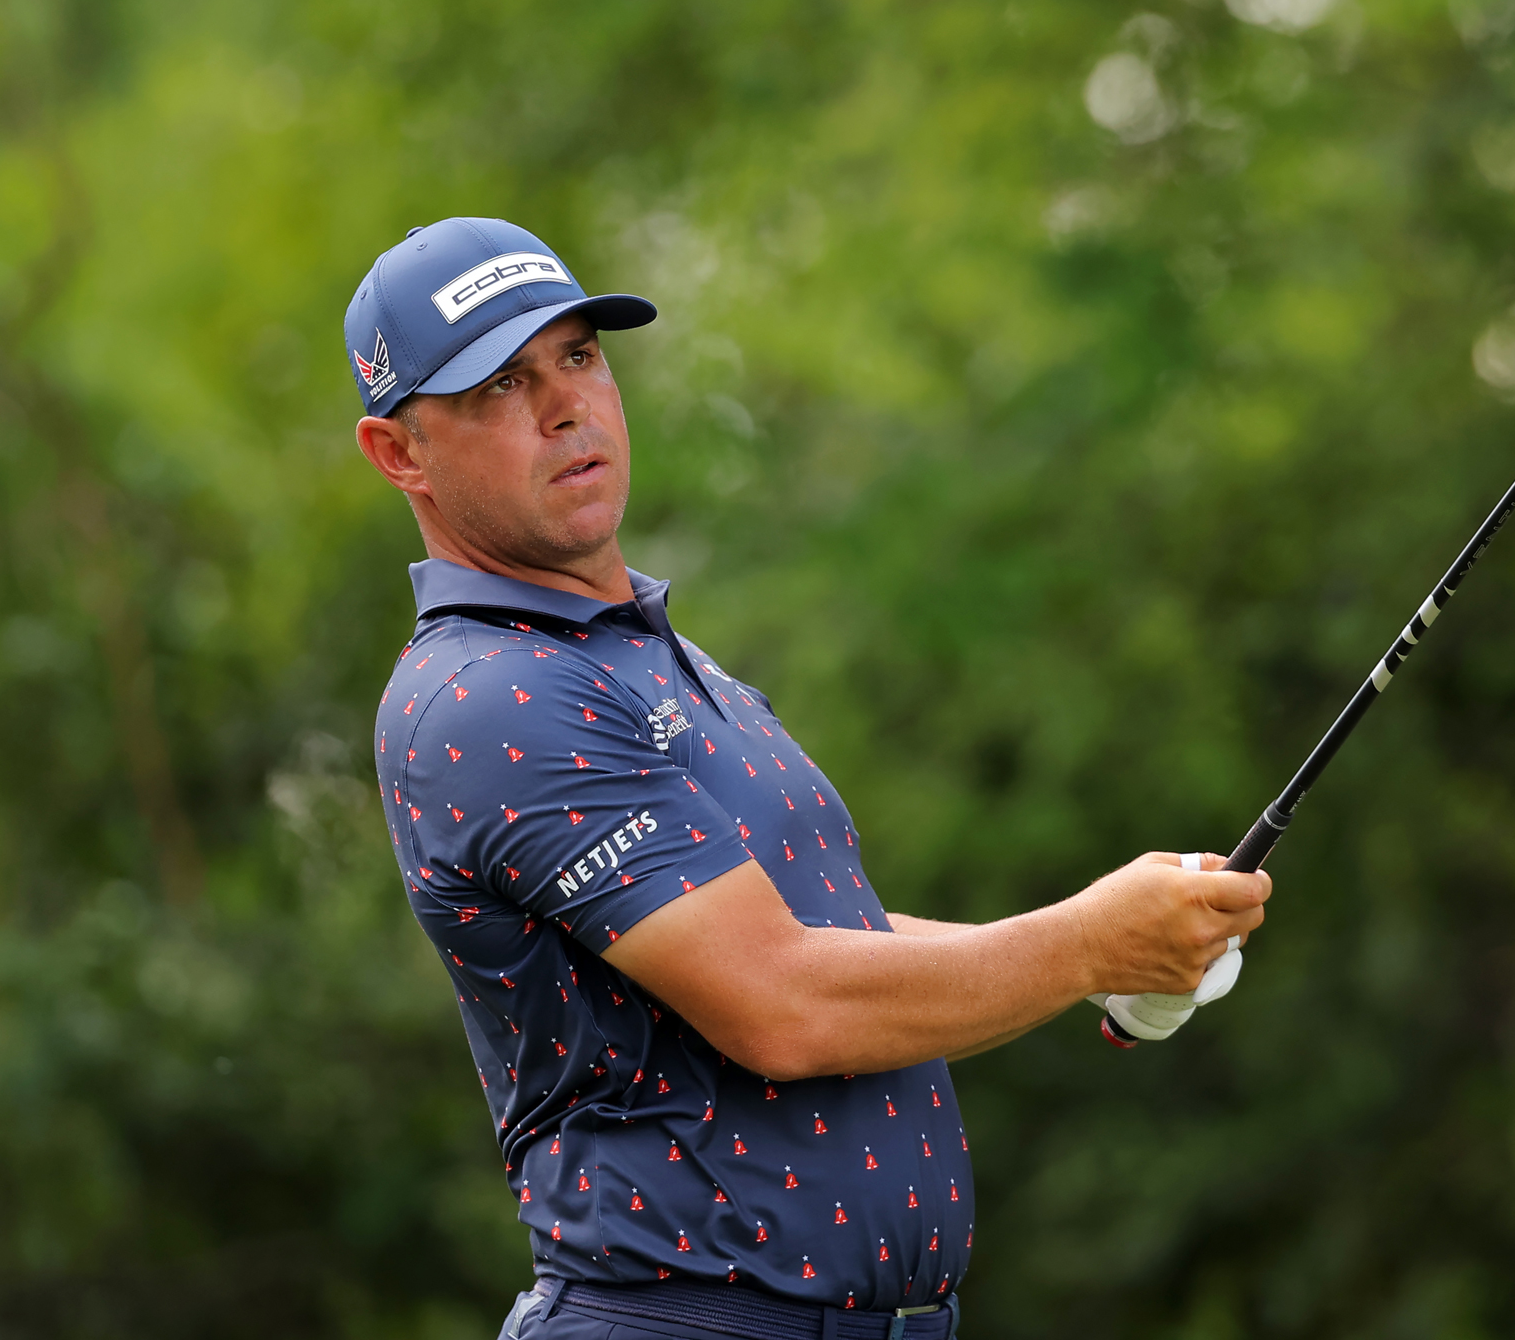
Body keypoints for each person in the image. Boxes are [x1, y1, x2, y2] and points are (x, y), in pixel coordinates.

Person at [345, 218, 1272, 1340]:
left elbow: (836, 930)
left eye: (579, 356)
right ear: (401, 454)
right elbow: (782, 999)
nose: (564, 407)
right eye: (499, 385)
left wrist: (1095, 952)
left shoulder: (647, 657)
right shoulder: (492, 692)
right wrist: (1084, 941)